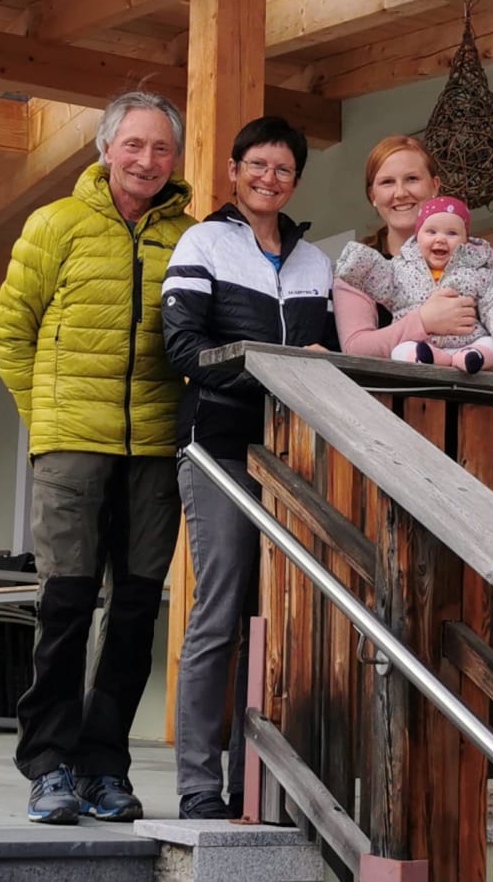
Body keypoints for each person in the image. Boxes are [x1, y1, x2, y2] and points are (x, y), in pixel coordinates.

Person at [0, 91, 192, 826]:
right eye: (133, 144)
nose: (147, 159)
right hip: (71, 447)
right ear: (105, 149)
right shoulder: (55, 224)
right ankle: (48, 764)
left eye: (161, 147)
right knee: (66, 607)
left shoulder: (190, 236)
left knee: (135, 612)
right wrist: (47, 420)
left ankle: (104, 766)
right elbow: (11, 331)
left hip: (154, 449)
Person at [160, 116, 338, 820]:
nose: (270, 178)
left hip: (292, 456)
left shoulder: (315, 261)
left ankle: (253, 784)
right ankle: (199, 785)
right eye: (257, 164)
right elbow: (184, 348)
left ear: (296, 180)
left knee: (274, 620)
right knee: (221, 610)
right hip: (219, 445)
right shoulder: (204, 242)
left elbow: (330, 351)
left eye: (283, 168)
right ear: (233, 170)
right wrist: (274, 379)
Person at [332, 134, 493, 375]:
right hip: (393, 397)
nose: (400, 192)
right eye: (387, 182)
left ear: (435, 186)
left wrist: (491, 362)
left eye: (412, 179)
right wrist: (423, 321)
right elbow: (355, 348)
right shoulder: (362, 268)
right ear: (373, 196)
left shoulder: (479, 257)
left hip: (472, 396)